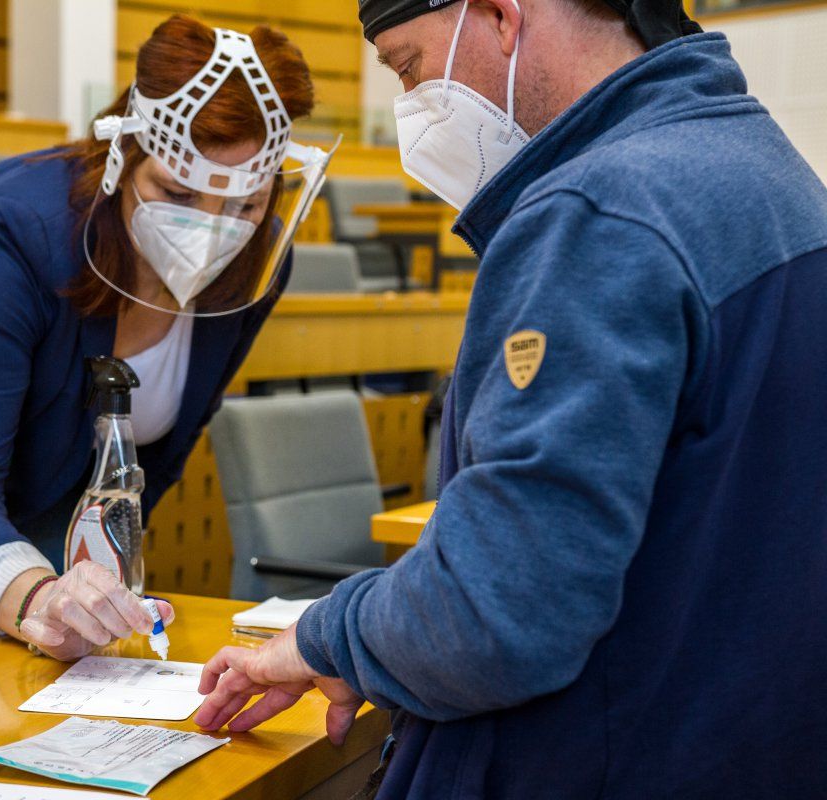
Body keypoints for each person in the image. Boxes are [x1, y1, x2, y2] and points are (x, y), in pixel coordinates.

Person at [195, 0, 827, 796]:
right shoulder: (771, 169)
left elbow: (495, 614)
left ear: (498, 16)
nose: (412, 107)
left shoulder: (597, 212)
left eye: (408, 65)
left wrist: (329, 637)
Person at [0, 15, 332, 670]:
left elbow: (165, 442)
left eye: (244, 206)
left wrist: (91, 575)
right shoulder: (18, 232)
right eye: (175, 193)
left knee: (52, 664)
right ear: (125, 155)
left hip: (51, 465)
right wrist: (35, 596)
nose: (208, 230)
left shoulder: (257, 261)